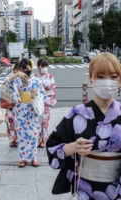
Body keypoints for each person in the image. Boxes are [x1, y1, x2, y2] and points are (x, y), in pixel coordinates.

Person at [46, 52, 121, 199]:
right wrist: (73, 147)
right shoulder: (77, 114)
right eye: (100, 76)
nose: (107, 81)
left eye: (113, 76)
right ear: (91, 77)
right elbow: (53, 147)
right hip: (86, 190)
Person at [6, 58, 45, 167]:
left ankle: (33, 157)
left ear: (31, 68)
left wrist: (36, 93)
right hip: (20, 111)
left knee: (33, 135)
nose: (26, 71)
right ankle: (23, 158)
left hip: (32, 111)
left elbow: (43, 95)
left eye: (27, 69)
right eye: (23, 70)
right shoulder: (17, 81)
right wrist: (17, 75)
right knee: (22, 135)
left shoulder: (37, 81)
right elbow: (10, 89)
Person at [35, 59, 56, 148]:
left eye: (45, 66)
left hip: (46, 101)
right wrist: (43, 88)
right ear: (38, 67)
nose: (44, 68)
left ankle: (45, 139)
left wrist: (43, 89)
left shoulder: (50, 77)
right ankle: (39, 138)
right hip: (37, 102)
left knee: (46, 122)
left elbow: (52, 88)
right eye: (42, 66)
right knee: (38, 121)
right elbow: (32, 87)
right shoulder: (35, 76)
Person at [4, 62, 19, 147]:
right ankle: (12, 139)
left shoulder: (22, 80)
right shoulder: (10, 79)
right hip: (9, 104)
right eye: (16, 69)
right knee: (10, 123)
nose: (17, 71)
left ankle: (17, 139)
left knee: (17, 123)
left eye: (19, 69)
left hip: (18, 106)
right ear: (14, 69)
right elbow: (6, 82)